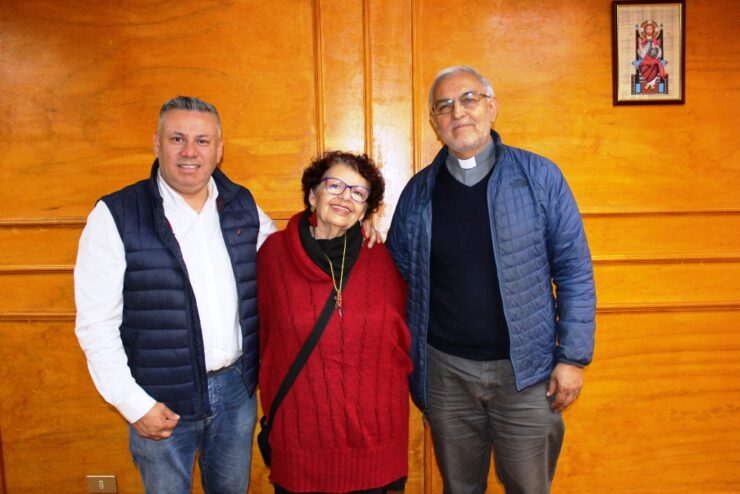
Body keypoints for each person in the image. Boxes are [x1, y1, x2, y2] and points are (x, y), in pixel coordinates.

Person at [387, 66, 596, 494]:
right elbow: (396, 275)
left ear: (492, 107)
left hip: (527, 374)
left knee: (528, 487)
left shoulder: (540, 177)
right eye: (444, 106)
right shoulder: (418, 193)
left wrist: (572, 358)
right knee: (460, 487)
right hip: (446, 374)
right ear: (434, 122)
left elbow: (574, 270)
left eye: (469, 99)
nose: (458, 113)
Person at [74, 95, 277, 493]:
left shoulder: (243, 206)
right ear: (157, 143)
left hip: (236, 394)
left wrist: (350, 232)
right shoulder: (115, 215)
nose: (189, 152)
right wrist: (134, 404)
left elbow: (288, 254)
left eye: (202, 141)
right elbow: (96, 325)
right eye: (177, 139)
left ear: (219, 149)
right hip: (158, 400)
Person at [257, 151, 412, 494]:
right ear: (313, 195)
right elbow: (264, 341)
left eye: (358, 192)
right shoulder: (273, 257)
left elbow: (403, 339)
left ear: (366, 210)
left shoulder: (383, 259)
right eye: (335, 186)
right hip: (301, 441)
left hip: (375, 442)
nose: (345, 197)